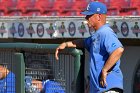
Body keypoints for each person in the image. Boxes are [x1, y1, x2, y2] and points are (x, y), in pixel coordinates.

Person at [55, 1, 124, 93]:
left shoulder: (105, 32)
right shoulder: (97, 35)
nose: (86, 18)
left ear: (99, 16)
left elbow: (118, 50)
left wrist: (105, 69)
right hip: (102, 88)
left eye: (89, 16)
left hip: (109, 87)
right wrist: (65, 44)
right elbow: (83, 42)